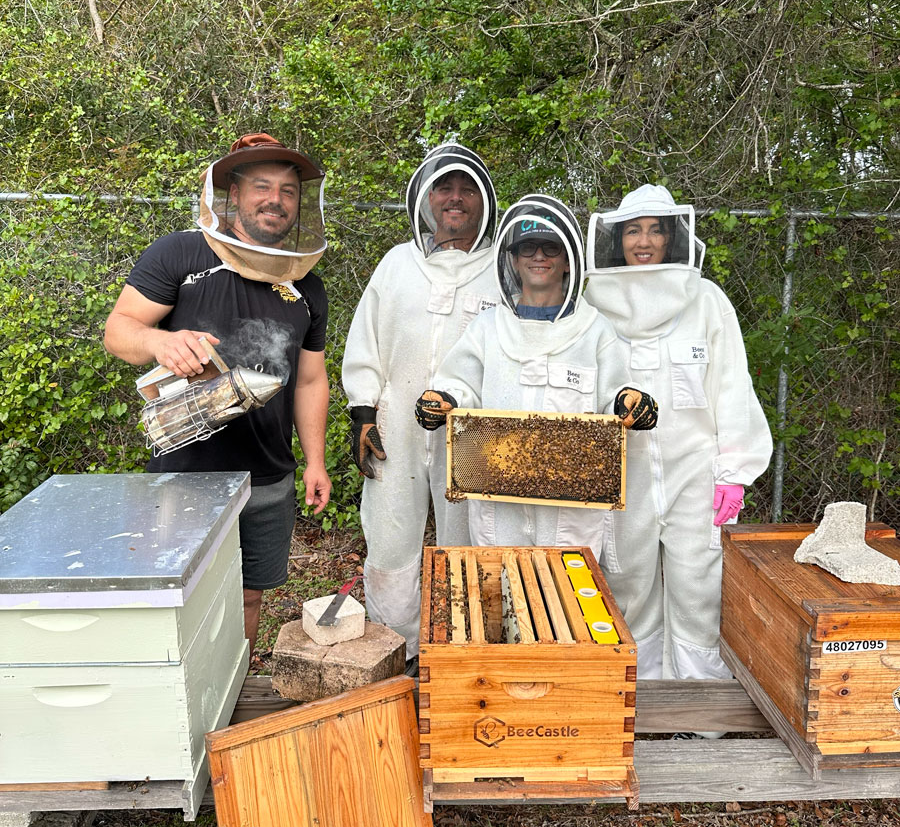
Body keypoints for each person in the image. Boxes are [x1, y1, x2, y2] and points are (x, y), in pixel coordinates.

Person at [104, 133, 332, 655]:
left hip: (268, 474)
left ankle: (231, 695)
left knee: (250, 598)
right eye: (261, 186)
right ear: (230, 194)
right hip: (188, 473)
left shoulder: (306, 284)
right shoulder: (181, 253)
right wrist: (162, 340)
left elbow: (311, 379)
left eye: (288, 191)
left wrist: (314, 460)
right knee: (180, 599)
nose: (276, 199)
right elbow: (119, 330)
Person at [584, 183, 772, 702]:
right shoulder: (592, 303)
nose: (643, 242)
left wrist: (735, 468)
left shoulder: (706, 300)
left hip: (697, 470)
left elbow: (732, 385)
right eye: (633, 230)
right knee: (629, 583)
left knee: (699, 587)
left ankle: (700, 709)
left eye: (655, 231)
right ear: (616, 239)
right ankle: (639, 704)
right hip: (624, 471)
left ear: (673, 238)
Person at [415, 195, 658, 562]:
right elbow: (460, 385)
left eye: (551, 248)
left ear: (567, 261)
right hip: (499, 506)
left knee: (568, 604)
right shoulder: (487, 327)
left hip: (571, 511)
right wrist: (444, 400)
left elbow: (615, 396)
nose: (539, 257)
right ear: (513, 259)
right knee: (501, 594)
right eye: (528, 247)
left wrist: (630, 403)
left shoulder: (595, 330)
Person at [342, 143, 499, 665]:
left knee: (469, 537)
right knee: (390, 535)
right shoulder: (396, 264)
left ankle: (460, 653)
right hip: (397, 421)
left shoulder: (504, 268)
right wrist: (363, 411)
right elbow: (366, 341)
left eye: (467, 188)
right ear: (425, 198)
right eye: (444, 187)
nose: (455, 198)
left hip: (477, 428)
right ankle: (396, 649)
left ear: (484, 200)